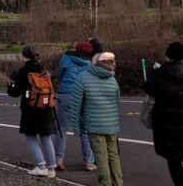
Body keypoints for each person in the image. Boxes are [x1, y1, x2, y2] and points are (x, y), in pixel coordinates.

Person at [144, 41, 183, 186]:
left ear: (167, 56)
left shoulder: (159, 76)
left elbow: (148, 88)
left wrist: (155, 71)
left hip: (167, 126)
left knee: (173, 160)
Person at [69, 51, 123, 186]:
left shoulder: (83, 78)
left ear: (95, 63)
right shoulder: (112, 79)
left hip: (94, 125)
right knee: (114, 157)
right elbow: (117, 102)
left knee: (101, 159)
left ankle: (106, 184)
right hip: (112, 126)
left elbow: (75, 106)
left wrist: (77, 128)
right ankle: (118, 183)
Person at [7, 45, 58, 177]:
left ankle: (41, 166)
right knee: (46, 138)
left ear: (25, 56)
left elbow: (15, 92)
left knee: (30, 137)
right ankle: (52, 169)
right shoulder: (44, 70)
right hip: (47, 108)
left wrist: (10, 87)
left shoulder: (24, 72)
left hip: (30, 109)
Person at [54, 42, 97, 171]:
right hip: (83, 95)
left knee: (61, 129)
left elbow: (60, 75)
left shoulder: (66, 58)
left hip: (66, 93)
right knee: (85, 130)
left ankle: (58, 159)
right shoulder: (91, 62)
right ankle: (89, 162)